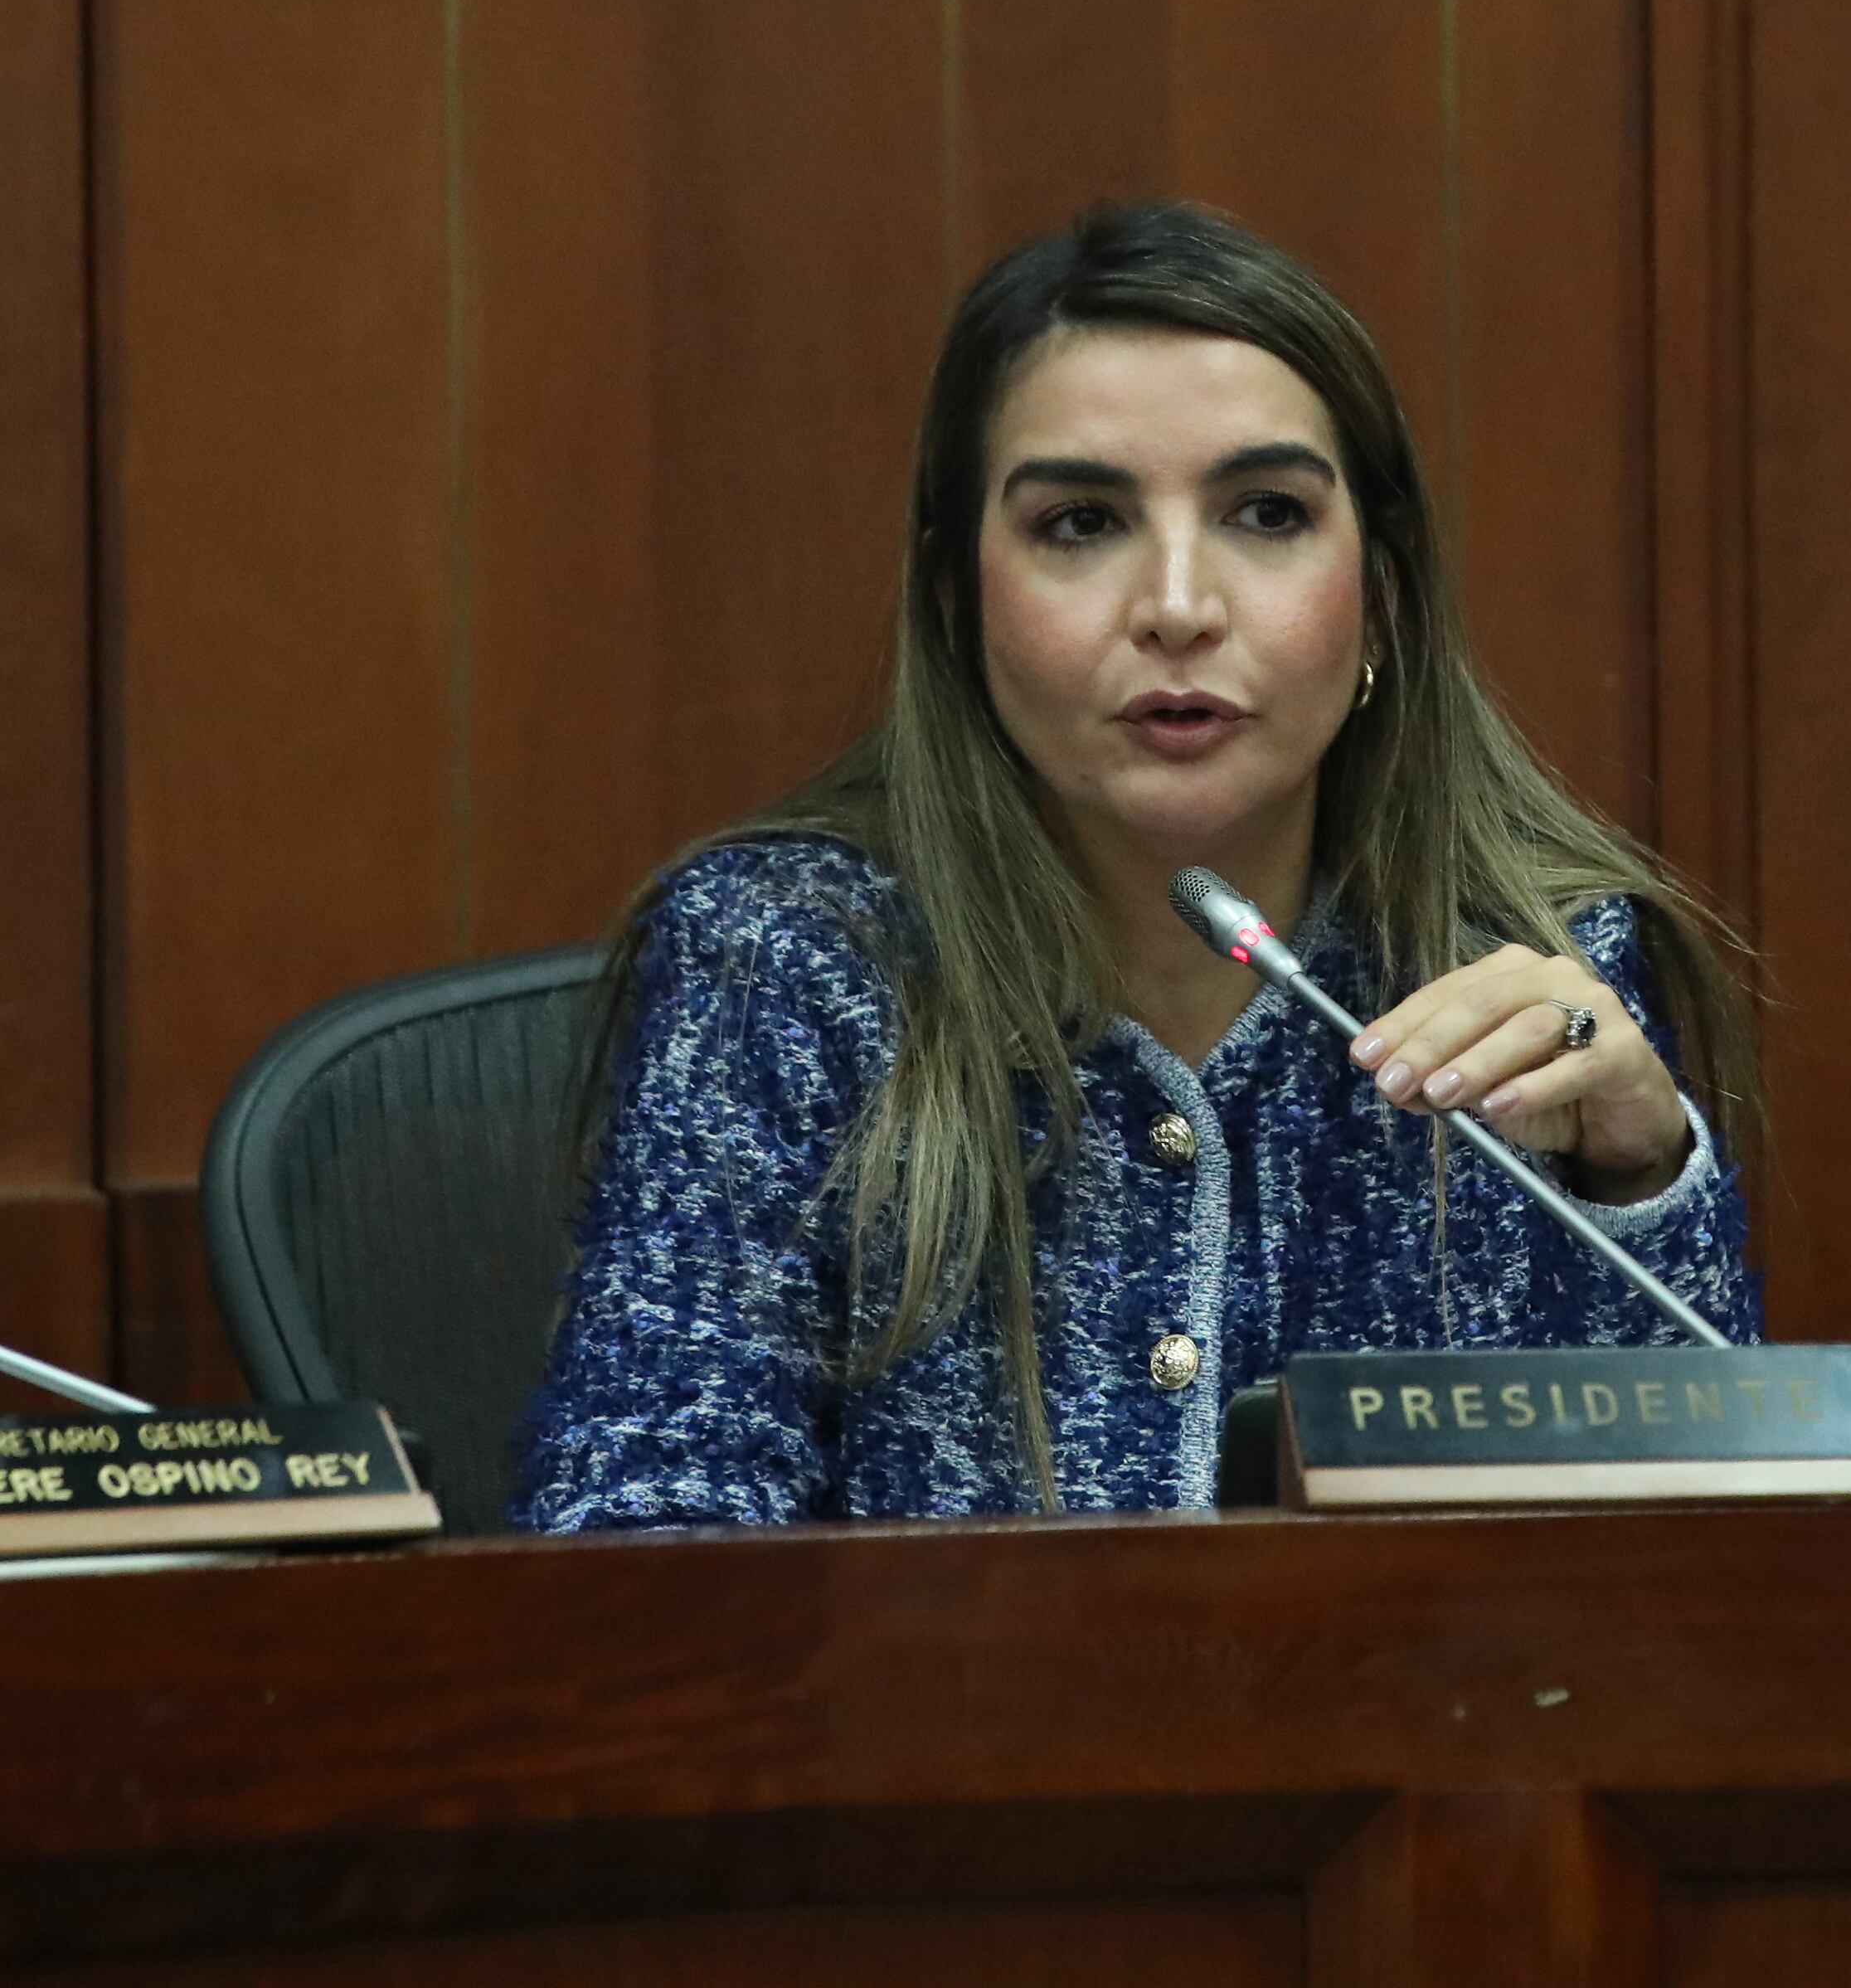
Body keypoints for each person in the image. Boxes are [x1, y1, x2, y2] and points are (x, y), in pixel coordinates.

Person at [517, 202, 1760, 1529]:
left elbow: (1702, 1577)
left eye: (1266, 513)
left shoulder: (1536, 966)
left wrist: (1639, 1177)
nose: (1177, 607)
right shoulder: (790, 962)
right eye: (1080, 524)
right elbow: (643, 1532)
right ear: (957, 601)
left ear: (1382, 595)